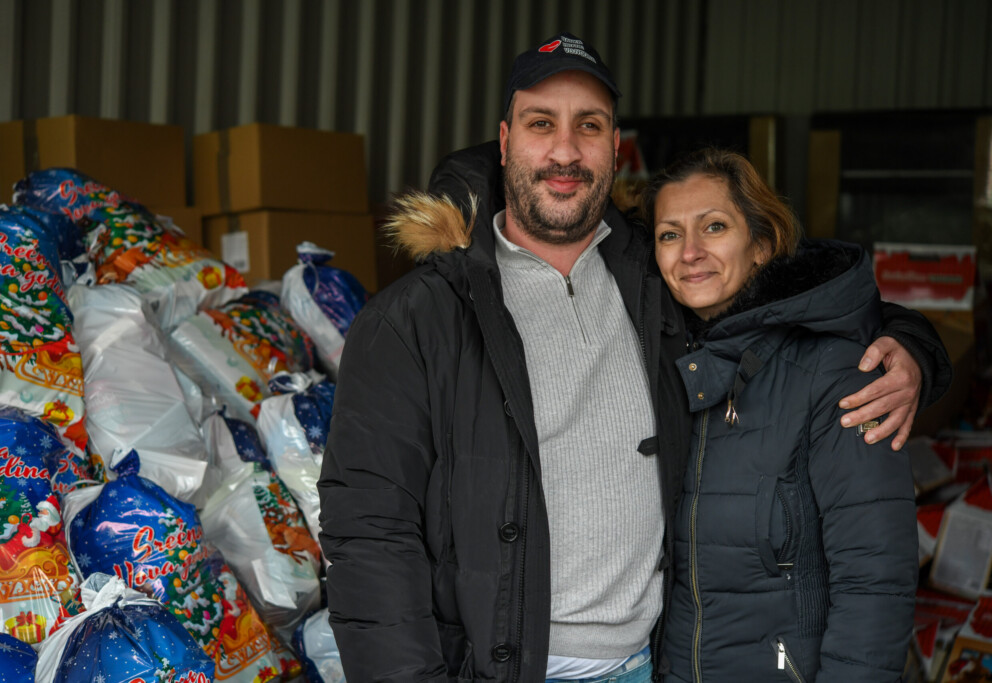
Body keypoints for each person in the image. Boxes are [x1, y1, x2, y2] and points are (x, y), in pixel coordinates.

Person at [317, 32, 948, 682]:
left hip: (652, 665)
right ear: (505, 142)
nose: (565, 150)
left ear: (615, 150)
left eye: (588, 126)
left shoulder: (661, 275)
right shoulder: (415, 320)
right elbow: (368, 535)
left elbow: (802, 299)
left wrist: (913, 349)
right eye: (542, 124)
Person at [645, 148, 917, 682]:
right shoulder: (656, 366)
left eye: (715, 227)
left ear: (762, 246)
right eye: (669, 235)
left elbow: (875, 579)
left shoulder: (837, 373)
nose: (691, 252)